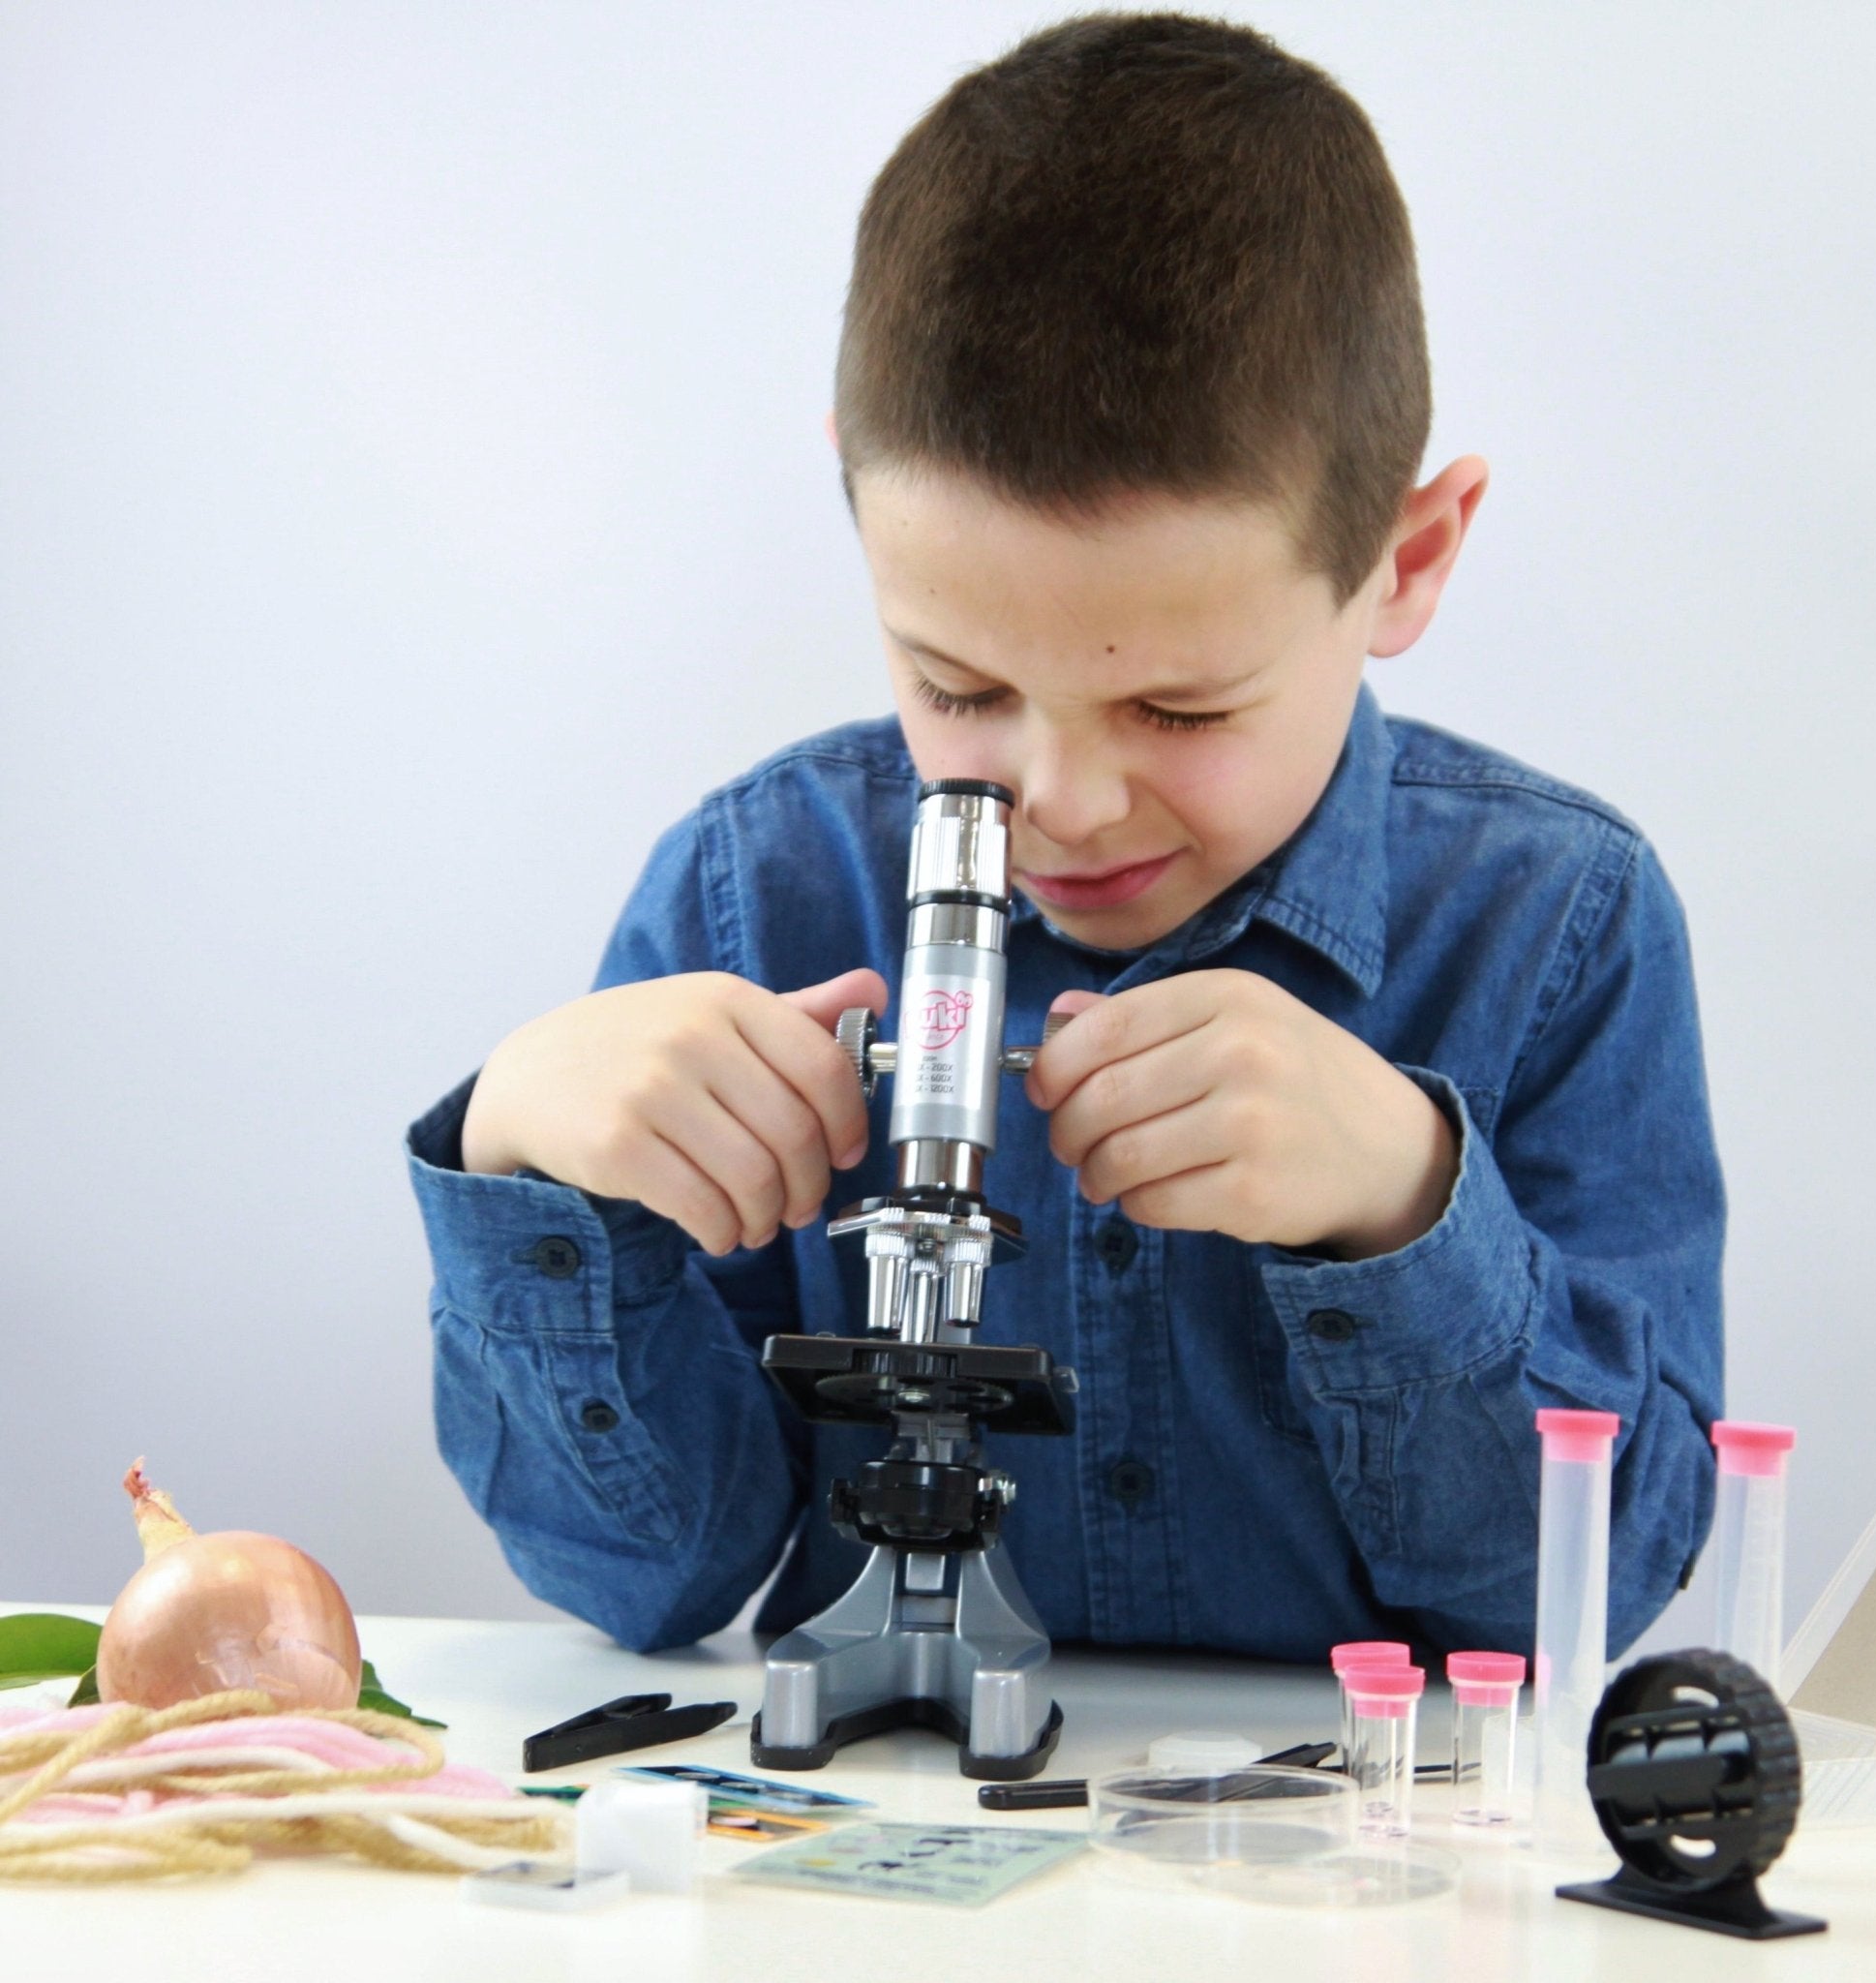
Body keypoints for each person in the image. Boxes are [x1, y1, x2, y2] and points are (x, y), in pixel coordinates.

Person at [407, 13, 1723, 1663]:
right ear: (860, 509)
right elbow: (645, 1581)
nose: (1065, 801)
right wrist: (528, 1162)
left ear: (1407, 561)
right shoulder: (751, 890)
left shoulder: (1561, 924)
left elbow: (1587, 1596)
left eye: (1179, 709)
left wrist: (1405, 1204)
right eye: (958, 686)